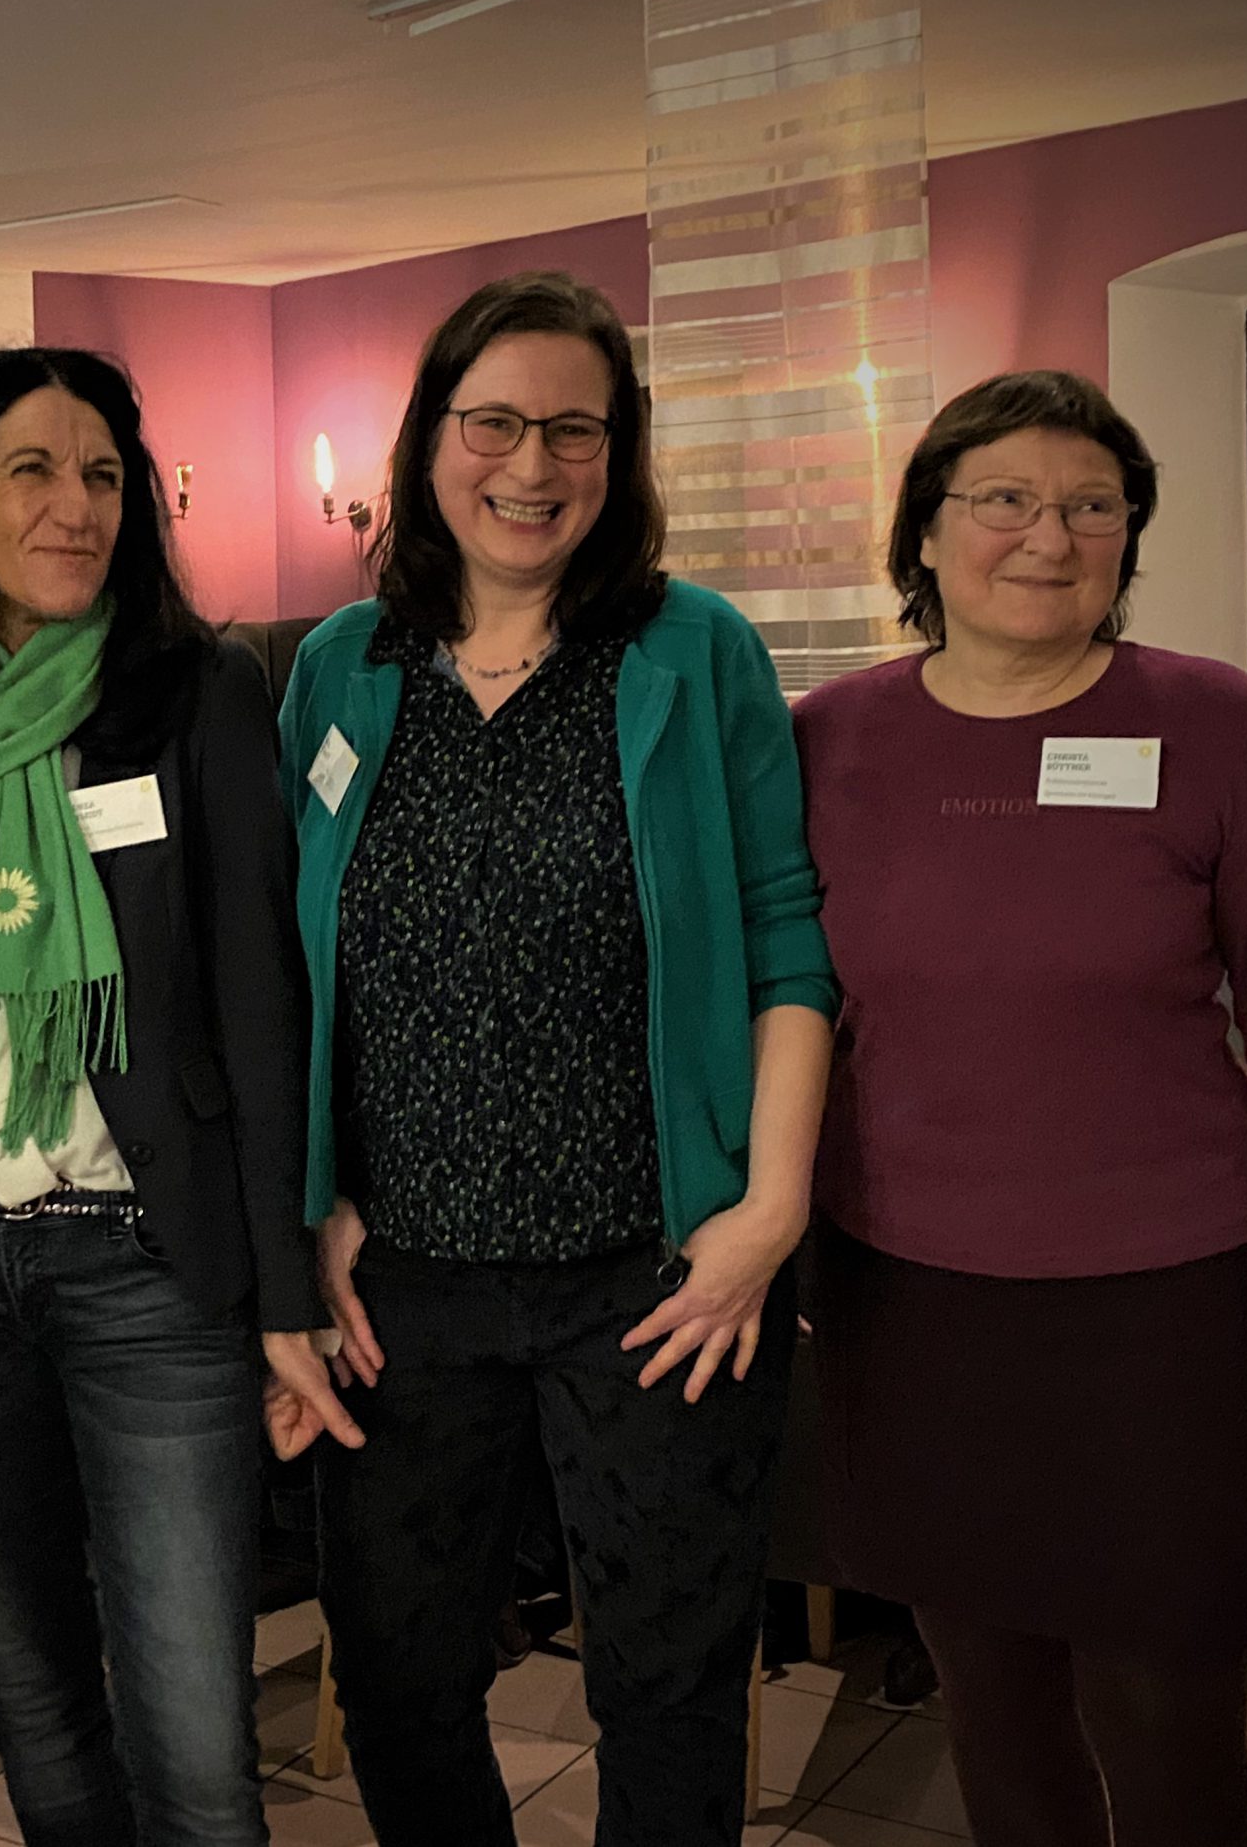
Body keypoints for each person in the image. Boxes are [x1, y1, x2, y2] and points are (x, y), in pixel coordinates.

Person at [793, 369, 1247, 1846]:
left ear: (1129, 538)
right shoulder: (826, 740)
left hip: (1170, 1312)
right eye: (1003, 499)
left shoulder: (1213, 721)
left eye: (1091, 506)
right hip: (919, 1309)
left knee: (1171, 1720)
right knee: (992, 1715)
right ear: (926, 535)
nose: (1048, 537)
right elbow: (788, 1020)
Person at [278, 270, 838, 1847]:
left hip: (659, 1274)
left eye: (575, 430)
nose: (533, 466)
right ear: (430, 442)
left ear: (621, 452)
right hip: (404, 1281)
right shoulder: (340, 667)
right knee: (398, 1678)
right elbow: (287, 964)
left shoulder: (690, 650)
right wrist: (313, 1200)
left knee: (665, 1686)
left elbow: (789, 941)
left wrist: (766, 1217)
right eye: (497, 423)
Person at [0, 346, 356, 1847]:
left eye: (104, 475)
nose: (76, 508)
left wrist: (277, 1294)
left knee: (195, 1747)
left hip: (149, 1269)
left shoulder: (196, 700)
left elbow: (262, 1005)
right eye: (33, 471)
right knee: (40, 1715)